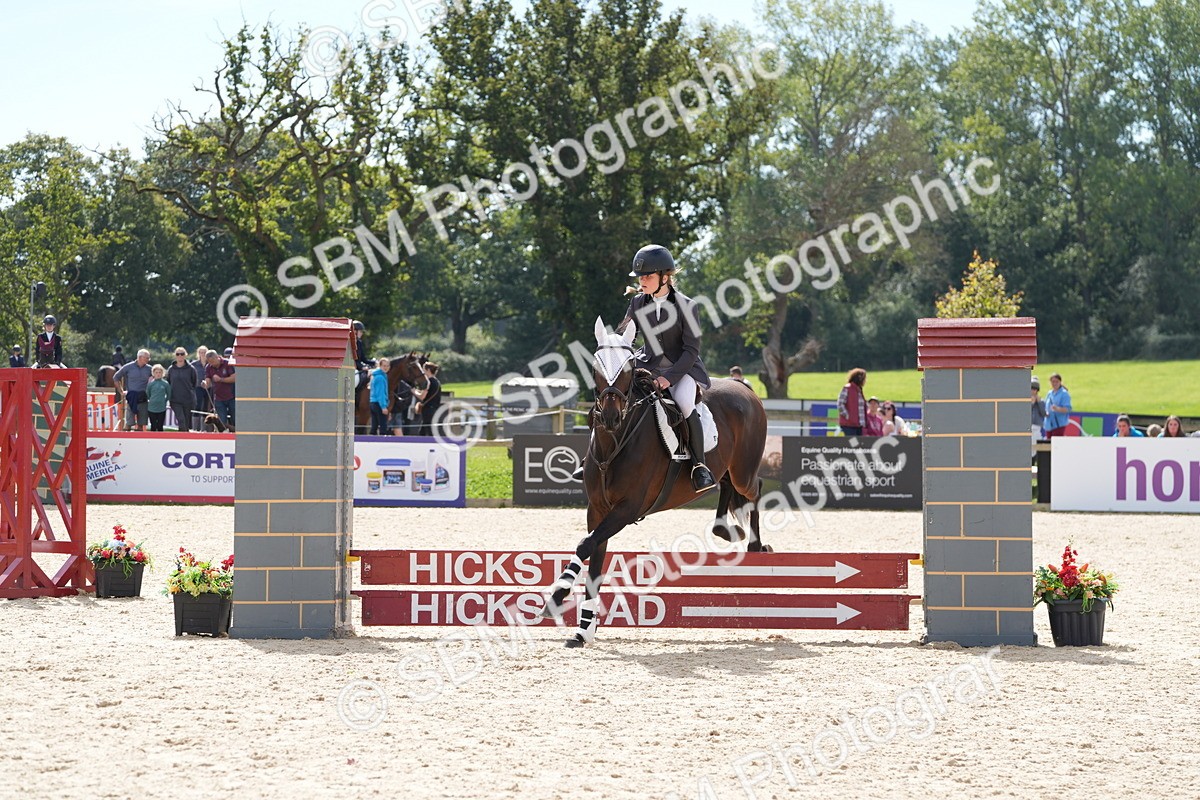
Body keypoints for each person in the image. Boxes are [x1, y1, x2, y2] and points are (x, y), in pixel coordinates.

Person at [615, 244, 715, 492]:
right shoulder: (638, 302)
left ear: (665, 277)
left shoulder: (687, 306)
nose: (642, 280)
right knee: (615, 395)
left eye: (647, 276)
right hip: (648, 364)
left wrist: (669, 379)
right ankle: (595, 459)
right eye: (640, 276)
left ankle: (699, 466)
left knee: (683, 402)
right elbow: (626, 335)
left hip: (682, 369)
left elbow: (691, 350)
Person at [112, 349, 153, 431]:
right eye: (147, 358)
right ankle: (125, 440)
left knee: (141, 424)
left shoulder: (150, 369)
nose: (148, 360)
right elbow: (116, 377)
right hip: (131, 397)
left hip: (143, 397)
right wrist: (121, 391)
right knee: (129, 423)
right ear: (140, 357)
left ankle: (140, 441)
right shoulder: (128, 367)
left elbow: (158, 377)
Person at [203, 350, 237, 427]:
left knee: (235, 419)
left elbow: (234, 378)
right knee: (221, 422)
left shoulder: (228, 364)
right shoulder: (208, 367)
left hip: (232, 396)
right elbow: (207, 379)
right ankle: (223, 436)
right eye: (209, 362)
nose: (212, 364)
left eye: (213, 361)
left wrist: (221, 379)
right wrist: (205, 384)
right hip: (218, 398)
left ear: (217, 357)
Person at [167, 347, 197, 432]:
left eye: (182, 354)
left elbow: (194, 383)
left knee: (186, 422)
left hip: (187, 399)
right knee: (181, 420)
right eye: (177, 354)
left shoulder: (191, 369)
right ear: (175, 356)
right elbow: (168, 382)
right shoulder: (171, 369)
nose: (180, 356)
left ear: (185, 355)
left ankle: (185, 441)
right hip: (175, 399)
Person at [413, 361, 443, 438]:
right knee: (424, 431)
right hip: (434, 409)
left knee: (429, 431)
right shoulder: (437, 382)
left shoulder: (428, 382)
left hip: (427, 410)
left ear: (428, 370)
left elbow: (422, 396)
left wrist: (413, 391)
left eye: (423, 370)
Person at [838, 368, 868, 436]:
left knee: (858, 445)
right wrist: (848, 416)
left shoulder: (859, 390)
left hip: (859, 425)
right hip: (849, 425)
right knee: (852, 444)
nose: (865, 381)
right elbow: (840, 404)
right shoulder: (847, 388)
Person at [1043, 372, 1072, 438]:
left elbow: (1068, 409)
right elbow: (1045, 406)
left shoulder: (1064, 394)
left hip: (1059, 424)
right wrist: (1046, 413)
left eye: (1057, 381)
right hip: (1048, 424)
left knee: (1056, 445)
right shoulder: (1049, 393)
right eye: (1053, 381)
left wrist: (1057, 409)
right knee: (1048, 446)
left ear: (1060, 382)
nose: (1055, 383)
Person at [369, 357, 392, 435]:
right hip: (378, 404)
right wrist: (383, 406)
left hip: (373, 402)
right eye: (384, 366)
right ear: (380, 366)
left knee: (374, 426)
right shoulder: (380, 378)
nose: (386, 368)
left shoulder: (375, 376)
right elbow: (380, 393)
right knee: (383, 427)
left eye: (387, 366)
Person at [146, 364, 170, 432]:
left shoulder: (165, 383)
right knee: (153, 426)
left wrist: (164, 401)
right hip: (151, 408)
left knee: (160, 426)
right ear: (153, 373)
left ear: (162, 373)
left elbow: (169, 394)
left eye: (160, 372)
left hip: (161, 408)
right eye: (156, 372)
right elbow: (148, 394)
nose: (158, 374)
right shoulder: (150, 384)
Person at [191, 346, 211, 424]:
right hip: (198, 387)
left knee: (206, 407)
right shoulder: (194, 364)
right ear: (198, 353)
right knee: (197, 406)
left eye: (204, 352)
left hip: (209, 387)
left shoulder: (210, 364)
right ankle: (195, 427)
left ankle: (205, 427)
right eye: (201, 352)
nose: (202, 354)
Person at [1030, 377, 1047, 456]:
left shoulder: (1042, 401)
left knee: (1036, 447)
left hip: (1037, 427)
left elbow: (1043, 414)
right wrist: (1032, 404)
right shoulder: (1025, 400)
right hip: (1028, 427)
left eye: (1035, 389)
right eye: (1032, 389)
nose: (1033, 391)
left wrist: (1039, 403)